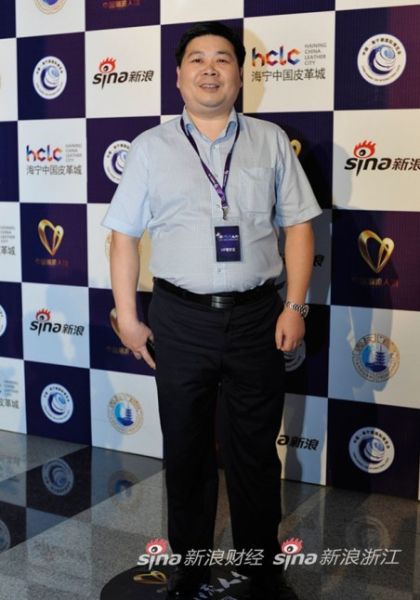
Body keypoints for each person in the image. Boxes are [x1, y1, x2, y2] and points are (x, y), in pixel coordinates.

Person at [103, 21, 321, 600]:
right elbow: (122, 237)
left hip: (257, 317)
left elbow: (300, 227)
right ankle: (191, 568)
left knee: (255, 454)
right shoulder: (150, 148)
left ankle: (261, 569)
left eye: (222, 59)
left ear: (240, 75)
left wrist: (295, 306)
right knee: (187, 451)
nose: (209, 69)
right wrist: (129, 317)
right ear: (177, 77)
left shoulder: (271, 141)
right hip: (180, 318)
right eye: (196, 59)